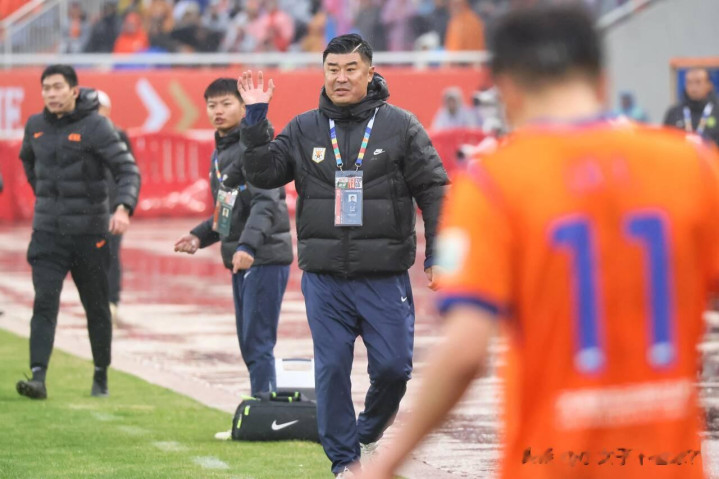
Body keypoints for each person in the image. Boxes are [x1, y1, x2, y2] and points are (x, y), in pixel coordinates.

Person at [360, 5, 714, 479]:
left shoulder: (496, 182)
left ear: (506, 87)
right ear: (601, 78)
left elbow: (466, 349)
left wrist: (386, 464)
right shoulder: (692, 166)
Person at [232, 34, 447, 478]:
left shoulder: (401, 126)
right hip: (324, 277)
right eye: (333, 69)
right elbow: (263, 172)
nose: (341, 78)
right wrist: (255, 120)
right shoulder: (303, 128)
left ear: (370, 73)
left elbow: (434, 190)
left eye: (351, 69)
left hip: (384, 275)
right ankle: (344, 463)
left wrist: (437, 254)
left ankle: (367, 432)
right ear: (324, 73)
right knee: (331, 370)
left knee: (394, 369)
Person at [17, 65, 141, 400]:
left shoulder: (96, 125)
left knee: (96, 307)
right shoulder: (35, 125)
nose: (51, 94)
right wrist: (44, 195)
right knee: (44, 303)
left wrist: (123, 207)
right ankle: (38, 377)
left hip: (90, 235)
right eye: (46, 88)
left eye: (57, 87)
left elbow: (127, 169)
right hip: (47, 233)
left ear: (74, 90)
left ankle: (101, 374)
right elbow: (27, 160)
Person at [174, 78, 292, 396]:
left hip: (263, 256)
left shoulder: (253, 149)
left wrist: (248, 245)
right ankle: (263, 402)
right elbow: (230, 209)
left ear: (243, 108)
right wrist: (199, 236)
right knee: (249, 340)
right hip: (243, 256)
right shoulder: (223, 150)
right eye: (212, 105)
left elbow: (266, 203)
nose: (218, 111)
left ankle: (265, 406)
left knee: (257, 340)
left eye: (226, 104)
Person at [96, 90, 135, 325]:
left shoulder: (118, 135)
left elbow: (129, 172)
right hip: (88, 208)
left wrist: (124, 205)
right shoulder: (80, 136)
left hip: (112, 206)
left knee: (111, 253)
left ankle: (111, 301)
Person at [664, 67, 719, 147]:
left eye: (698, 82)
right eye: (689, 82)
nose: (693, 87)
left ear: (709, 85)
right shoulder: (674, 113)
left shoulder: (716, 112)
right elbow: (665, 143)